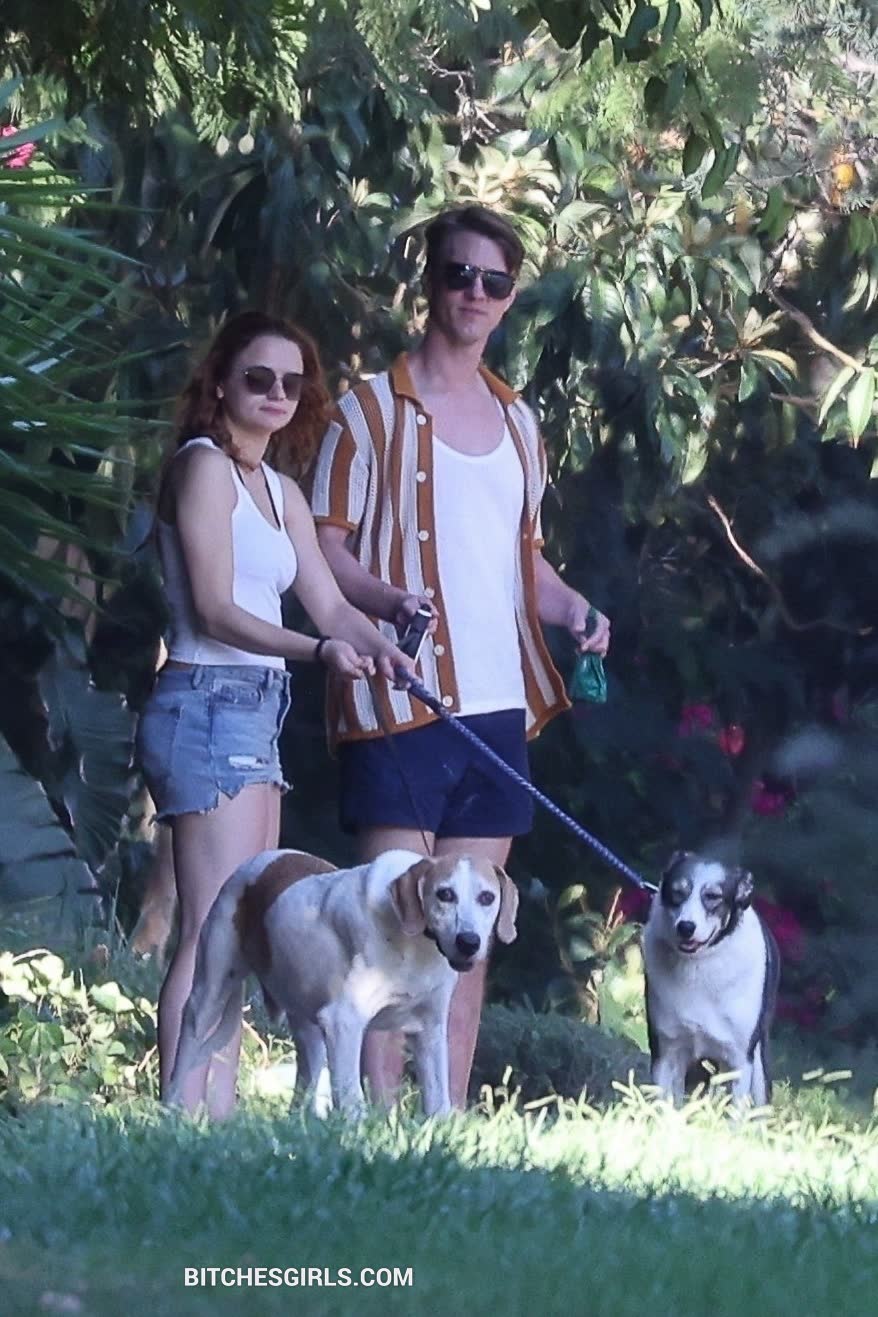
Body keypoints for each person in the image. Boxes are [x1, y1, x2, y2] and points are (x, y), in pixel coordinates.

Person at [311, 205, 611, 1108]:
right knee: (390, 926)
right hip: (399, 699)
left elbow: (521, 559)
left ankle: (441, 1136)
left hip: (497, 706)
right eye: (459, 273)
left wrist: (575, 609)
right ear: (430, 281)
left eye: (494, 280)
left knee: (466, 937)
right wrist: (381, 601)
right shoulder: (368, 409)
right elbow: (321, 548)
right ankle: (372, 1130)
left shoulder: (521, 423)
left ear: (510, 297)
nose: (475, 292)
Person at [137, 310, 412, 1118]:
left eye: (292, 383)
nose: (276, 394)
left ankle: (217, 1120)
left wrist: (385, 643)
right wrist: (320, 651)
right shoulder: (202, 467)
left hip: (257, 706)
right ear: (220, 381)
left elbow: (331, 604)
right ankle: (184, 1117)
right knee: (207, 928)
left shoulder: (279, 489)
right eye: (258, 378)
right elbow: (217, 610)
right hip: (206, 699)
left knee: (241, 929)